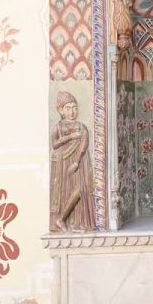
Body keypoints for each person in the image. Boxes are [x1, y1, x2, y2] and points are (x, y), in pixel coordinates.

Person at [50, 91, 95, 231]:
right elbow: (54, 144)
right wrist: (70, 137)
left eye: (75, 108)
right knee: (66, 191)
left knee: (80, 190)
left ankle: (66, 219)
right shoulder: (58, 126)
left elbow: (84, 143)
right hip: (62, 162)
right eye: (68, 108)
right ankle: (61, 219)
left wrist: (76, 162)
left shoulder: (81, 126)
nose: (72, 111)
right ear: (61, 110)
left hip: (78, 162)